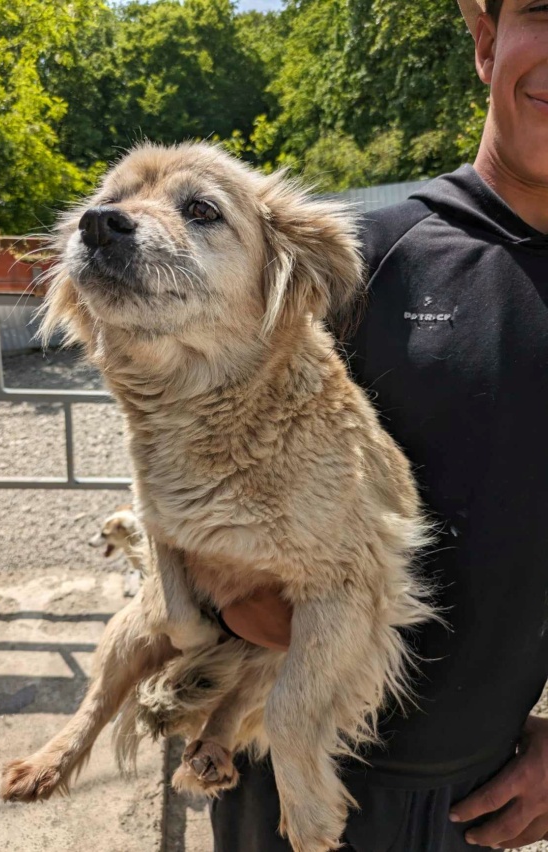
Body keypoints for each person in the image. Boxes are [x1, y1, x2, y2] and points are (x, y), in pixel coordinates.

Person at [210, 1, 548, 849]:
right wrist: (229, 588)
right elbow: (188, 452)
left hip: (480, 798)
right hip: (290, 778)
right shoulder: (352, 258)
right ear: (484, 41)